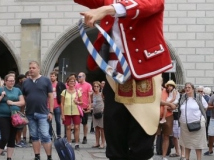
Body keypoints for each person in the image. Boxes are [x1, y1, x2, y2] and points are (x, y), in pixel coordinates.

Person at [74, 1, 173, 160]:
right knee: (114, 138)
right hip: (114, 76)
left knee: (141, 139)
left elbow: (149, 5)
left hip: (144, 72)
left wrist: (106, 9)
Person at [22, 61, 54, 160]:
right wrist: (22, 113)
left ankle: (49, 157)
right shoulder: (25, 82)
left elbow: (51, 96)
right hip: (30, 113)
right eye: (30, 67)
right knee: (34, 136)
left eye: (33, 68)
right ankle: (37, 156)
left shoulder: (46, 80)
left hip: (43, 113)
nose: (31, 69)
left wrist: (51, 111)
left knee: (45, 135)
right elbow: (23, 97)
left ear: (38, 69)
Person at [0, 74, 25, 160]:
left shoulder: (17, 90)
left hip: (15, 117)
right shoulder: (0, 90)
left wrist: (13, 103)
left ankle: (9, 158)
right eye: (10, 81)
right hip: (3, 117)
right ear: (5, 81)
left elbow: (22, 102)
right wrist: (1, 96)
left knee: (12, 138)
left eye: (13, 81)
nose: (11, 82)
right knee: (5, 137)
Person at [179, 82, 208, 160]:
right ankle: (187, 158)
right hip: (185, 125)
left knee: (198, 145)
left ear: (193, 89)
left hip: (197, 124)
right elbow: (179, 108)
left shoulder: (199, 97)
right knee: (187, 144)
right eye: (186, 87)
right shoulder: (183, 97)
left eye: (189, 87)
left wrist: (199, 116)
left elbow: (205, 107)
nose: (187, 89)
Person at [61, 75, 82, 150]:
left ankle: (76, 143)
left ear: (75, 83)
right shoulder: (64, 92)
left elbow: (81, 102)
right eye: (70, 81)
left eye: (73, 81)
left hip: (76, 111)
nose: (72, 83)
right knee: (68, 127)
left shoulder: (77, 91)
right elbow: (62, 103)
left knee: (76, 127)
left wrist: (78, 102)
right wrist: (62, 113)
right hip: (67, 111)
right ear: (68, 83)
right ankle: (69, 143)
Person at [157, 85, 177, 160]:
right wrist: (169, 104)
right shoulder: (155, 90)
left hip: (168, 116)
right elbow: (157, 101)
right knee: (152, 135)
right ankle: (150, 155)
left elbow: (175, 105)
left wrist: (173, 105)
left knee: (166, 136)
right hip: (156, 115)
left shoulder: (169, 90)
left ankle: (164, 156)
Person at [75, 72, 92, 144]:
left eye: (79, 76)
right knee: (77, 123)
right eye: (78, 76)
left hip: (85, 106)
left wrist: (89, 105)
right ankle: (77, 137)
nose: (78, 78)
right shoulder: (76, 85)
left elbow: (89, 96)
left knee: (85, 123)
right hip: (78, 106)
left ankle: (85, 137)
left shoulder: (88, 85)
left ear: (84, 77)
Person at [49, 71, 66, 138]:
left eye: (53, 76)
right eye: (51, 76)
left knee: (58, 121)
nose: (52, 77)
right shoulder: (48, 84)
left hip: (57, 105)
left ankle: (58, 134)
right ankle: (50, 134)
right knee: (49, 121)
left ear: (56, 77)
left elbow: (64, 92)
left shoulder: (59, 84)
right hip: (49, 105)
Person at [14, 74, 27, 148]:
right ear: (20, 80)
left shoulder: (22, 87)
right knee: (18, 126)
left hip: (22, 108)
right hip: (18, 109)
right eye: (24, 79)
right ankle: (17, 141)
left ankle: (19, 140)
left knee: (21, 126)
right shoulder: (18, 87)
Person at [91, 81, 105, 149]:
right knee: (96, 128)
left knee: (102, 129)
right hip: (95, 112)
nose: (96, 87)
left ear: (100, 87)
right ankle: (97, 142)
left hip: (101, 112)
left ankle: (103, 142)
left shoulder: (102, 94)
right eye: (95, 86)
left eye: (97, 86)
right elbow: (90, 103)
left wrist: (104, 109)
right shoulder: (92, 94)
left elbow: (105, 102)